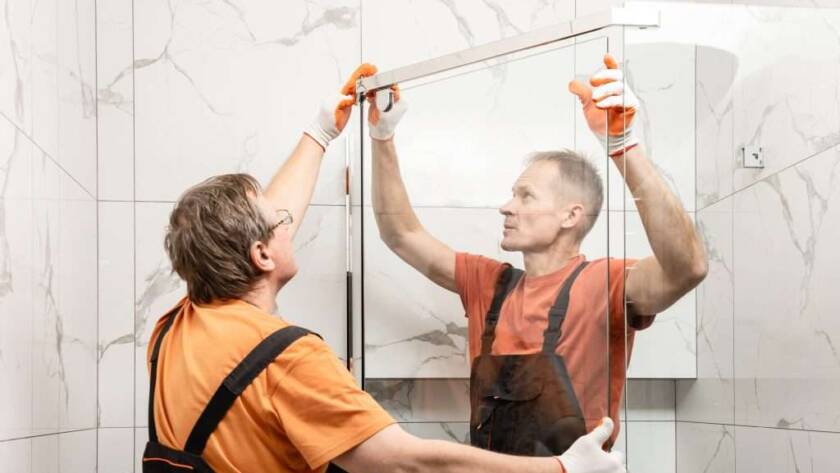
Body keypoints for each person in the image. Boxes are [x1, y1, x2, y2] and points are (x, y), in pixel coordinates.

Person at [142, 65, 627, 473]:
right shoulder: (287, 358)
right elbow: (406, 462)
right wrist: (563, 468)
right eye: (281, 223)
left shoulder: (175, 328)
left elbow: (257, 225)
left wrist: (320, 132)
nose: (290, 219)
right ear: (262, 256)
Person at [369, 54, 708, 454]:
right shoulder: (488, 283)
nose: (506, 206)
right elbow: (402, 234)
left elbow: (688, 267)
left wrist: (623, 146)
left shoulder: (605, 283)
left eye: (525, 195)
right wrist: (382, 137)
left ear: (571, 215)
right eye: (513, 194)